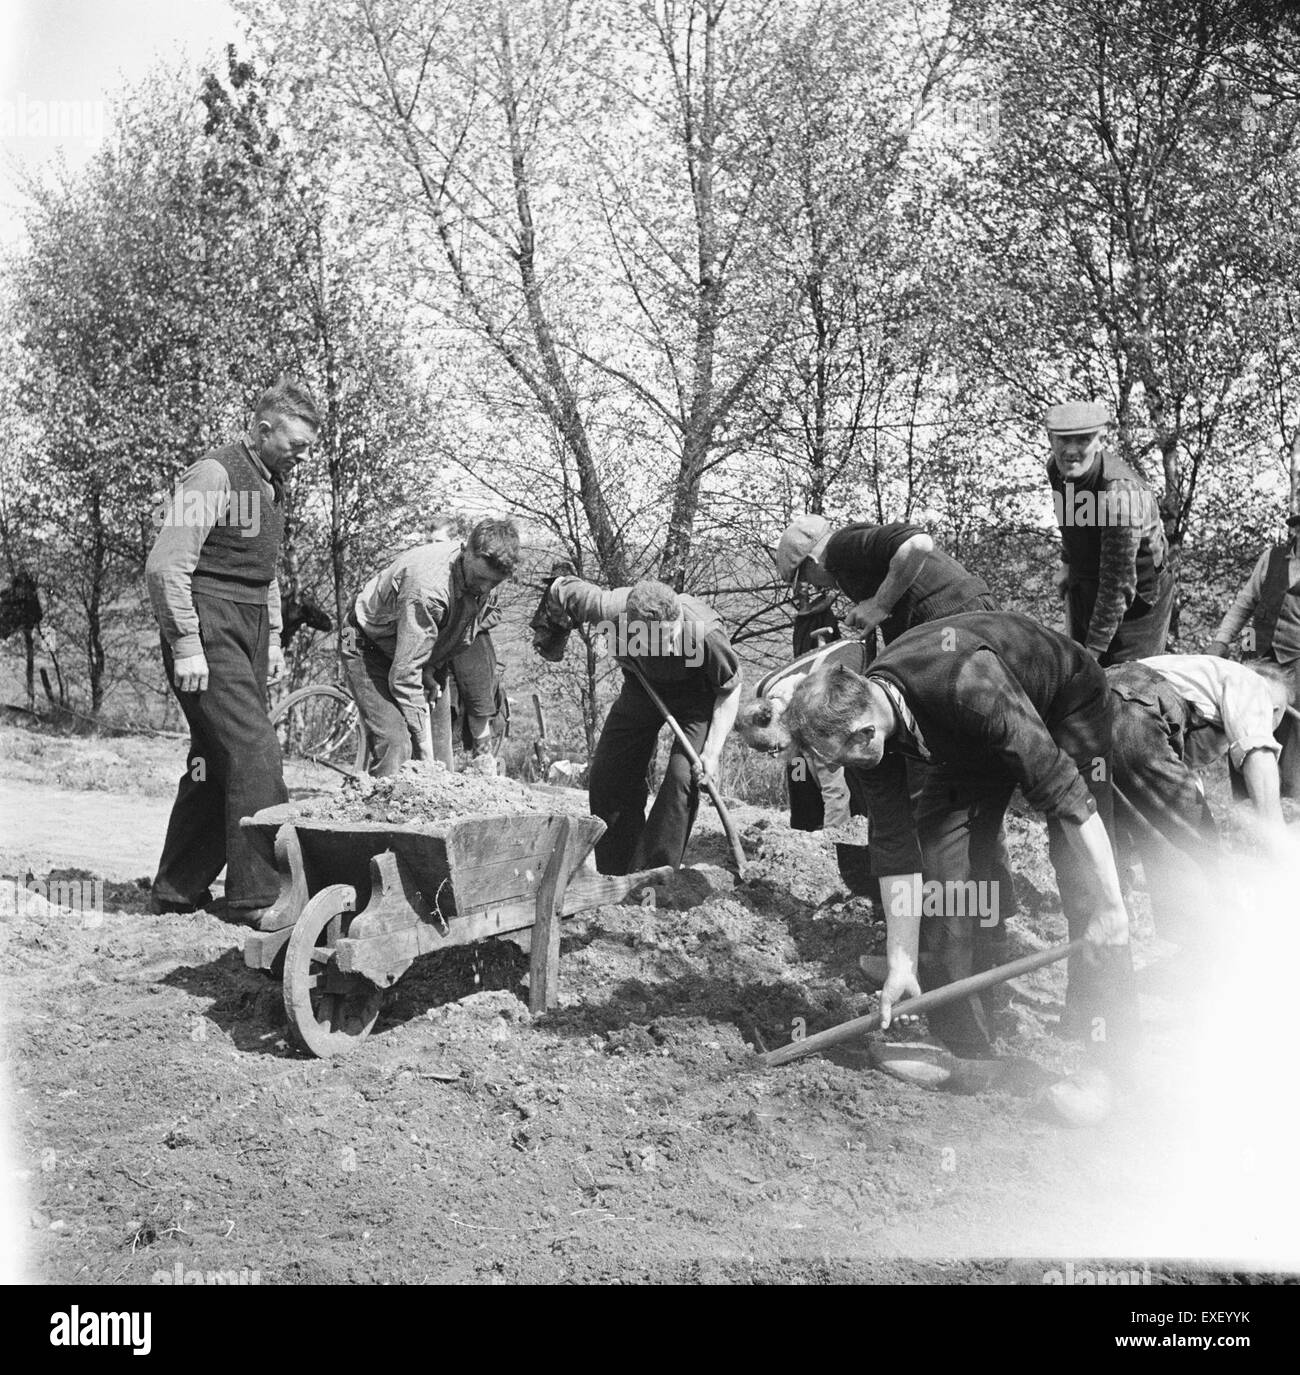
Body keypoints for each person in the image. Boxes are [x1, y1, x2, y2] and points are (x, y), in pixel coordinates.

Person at [783, 611, 1138, 1087]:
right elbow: (895, 851)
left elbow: (1069, 798)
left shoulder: (971, 686)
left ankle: (1110, 1059)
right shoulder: (867, 732)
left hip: (1063, 700)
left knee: (1081, 878)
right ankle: (966, 1044)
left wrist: (1112, 905)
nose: (837, 769)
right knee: (939, 864)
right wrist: (901, 964)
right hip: (962, 739)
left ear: (865, 732)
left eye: (838, 758)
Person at [774, 514, 1011, 965]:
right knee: (977, 808)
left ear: (810, 560)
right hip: (971, 659)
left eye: (803, 576)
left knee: (934, 813)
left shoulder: (841, 548)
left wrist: (879, 605)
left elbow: (917, 543)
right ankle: (988, 937)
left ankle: (938, 949)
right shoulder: (855, 557)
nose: (811, 585)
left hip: (955, 656)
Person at [146, 378, 321, 919]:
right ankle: (259, 895)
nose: (300, 458)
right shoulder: (215, 472)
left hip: (245, 629)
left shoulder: (271, 485)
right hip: (207, 625)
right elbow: (166, 565)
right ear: (262, 429)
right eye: (294, 446)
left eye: (307, 450)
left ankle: (177, 890)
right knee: (254, 752)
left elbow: (261, 572)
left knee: (211, 761)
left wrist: (271, 641)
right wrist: (188, 645)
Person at [544, 575, 742, 874]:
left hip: (696, 698)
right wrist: (552, 633)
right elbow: (560, 588)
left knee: (683, 776)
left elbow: (729, 688)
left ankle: (652, 876)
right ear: (632, 626)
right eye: (659, 641)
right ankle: (617, 871)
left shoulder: (703, 632)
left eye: (673, 636)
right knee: (608, 774)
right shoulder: (608, 608)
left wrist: (712, 752)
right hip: (643, 686)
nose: (671, 645)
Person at [1107, 656, 1294, 946]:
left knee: (1127, 837)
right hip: (1134, 709)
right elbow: (1260, 757)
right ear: (1276, 709)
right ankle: (1220, 953)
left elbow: (1174, 773)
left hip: (1093, 707)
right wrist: (1281, 850)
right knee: (1204, 849)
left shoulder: (1196, 684)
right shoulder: (1252, 684)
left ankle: (1114, 930)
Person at [342, 519, 520, 776]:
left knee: (441, 757)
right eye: (480, 578)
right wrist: (423, 751)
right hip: (361, 640)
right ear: (465, 552)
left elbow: (454, 637)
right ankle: (382, 812)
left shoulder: (483, 579)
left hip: (410, 651)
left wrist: (431, 667)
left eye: (493, 583)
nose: (484, 588)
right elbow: (405, 676)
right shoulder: (428, 588)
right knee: (397, 745)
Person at [1045, 401, 1175, 664]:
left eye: (1082, 440)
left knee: (1125, 685)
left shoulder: (1119, 494)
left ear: (1100, 440)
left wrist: (1092, 652)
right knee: (1078, 676)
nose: (1071, 450)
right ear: (1050, 439)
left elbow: (1119, 584)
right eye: (1063, 440)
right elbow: (1070, 521)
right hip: (1090, 579)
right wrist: (1067, 563)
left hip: (1139, 597)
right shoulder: (1057, 470)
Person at [1206, 514, 1300, 798]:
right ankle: (1247, 800)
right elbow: (1245, 602)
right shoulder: (1272, 558)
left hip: (1297, 660)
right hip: (1258, 655)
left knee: (1294, 736)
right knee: (1245, 723)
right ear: (1296, 530)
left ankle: (1290, 805)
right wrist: (1221, 641)